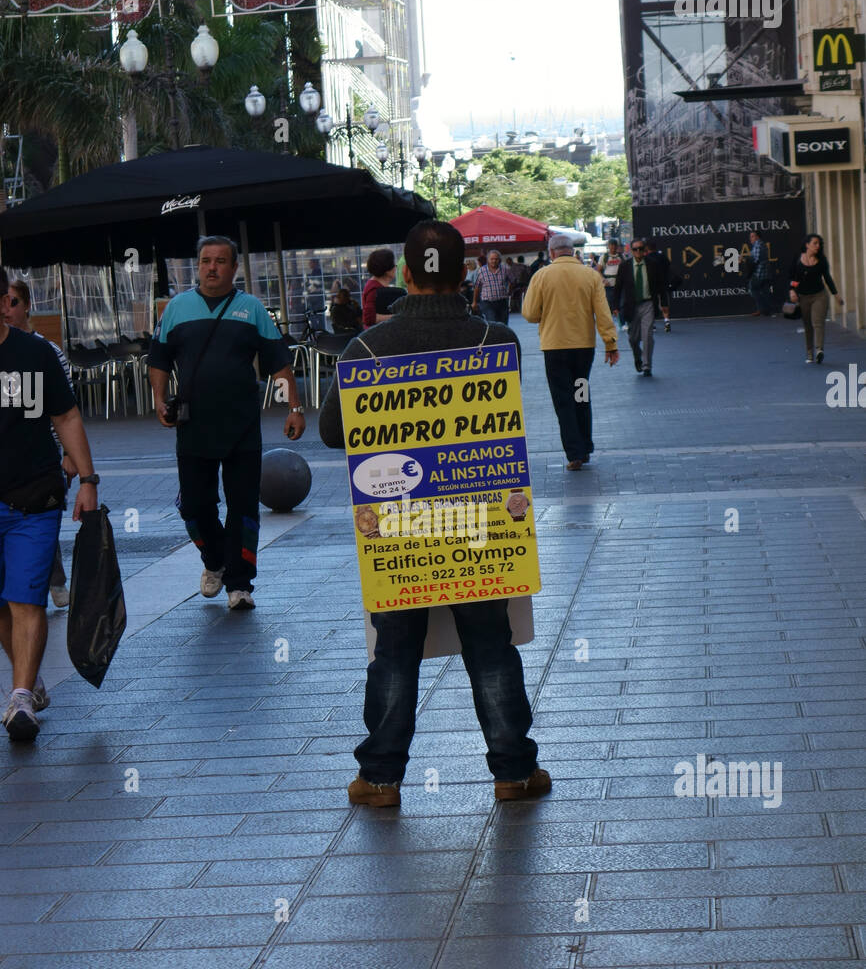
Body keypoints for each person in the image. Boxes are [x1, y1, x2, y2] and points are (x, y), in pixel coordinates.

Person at [318, 219, 550, 809]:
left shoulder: (366, 348)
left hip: (398, 528)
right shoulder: (495, 341)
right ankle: (514, 771)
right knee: (490, 645)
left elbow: (330, 431)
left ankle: (380, 777)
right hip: (477, 521)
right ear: (463, 269)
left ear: (405, 271)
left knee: (395, 649)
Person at [147, 235, 306, 611]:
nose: (212, 268)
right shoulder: (176, 308)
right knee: (195, 507)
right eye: (205, 261)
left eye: (220, 261)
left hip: (242, 426)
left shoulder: (251, 309)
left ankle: (240, 584)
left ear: (234, 268)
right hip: (192, 425)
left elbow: (278, 364)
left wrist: (294, 408)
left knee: (243, 507)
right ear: (197, 266)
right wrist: (158, 399)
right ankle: (214, 561)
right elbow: (158, 359)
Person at [0, 265, 99, 740]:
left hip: (31, 500)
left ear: (3, 303)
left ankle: (20, 698)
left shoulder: (33, 355)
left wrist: (87, 480)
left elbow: (65, 415)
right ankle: (29, 674)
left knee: (25, 596)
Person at [522, 235, 619, 470]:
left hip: (555, 348)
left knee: (563, 400)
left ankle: (574, 453)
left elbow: (530, 314)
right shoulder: (590, 275)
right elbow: (603, 313)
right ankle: (586, 446)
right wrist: (611, 343)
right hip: (584, 348)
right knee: (581, 394)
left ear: (552, 252)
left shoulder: (541, 276)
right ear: (573, 251)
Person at [8, 280, 75, 608]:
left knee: (39, 518)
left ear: (26, 305)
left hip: (41, 459)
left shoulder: (44, 351)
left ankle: (56, 580)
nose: (10, 308)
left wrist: (69, 454)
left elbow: (65, 410)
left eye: (15, 301)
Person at [612, 237, 669, 377]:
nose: (638, 251)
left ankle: (646, 365)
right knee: (633, 339)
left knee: (648, 335)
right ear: (631, 251)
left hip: (648, 303)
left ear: (645, 250)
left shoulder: (653, 264)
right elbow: (618, 287)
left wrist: (664, 303)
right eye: (635, 249)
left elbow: (661, 285)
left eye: (641, 249)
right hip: (631, 307)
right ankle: (637, 357)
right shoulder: (625, 266)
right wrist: (615, 306)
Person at [788, 233, 842, 364]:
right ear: (807, 245)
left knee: (818, 322)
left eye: (819, 244)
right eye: (815, 243)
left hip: (819, 295)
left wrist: (836, 295)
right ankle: (809, 352)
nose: (817, 246)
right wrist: (792, 291)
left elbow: (827, 278)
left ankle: (819, 350)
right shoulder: (797, 259)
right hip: (803, 297)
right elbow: (793, 278)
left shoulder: (821, 260)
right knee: (808, 326)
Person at [471, 247, 511, 324]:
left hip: (502, 301)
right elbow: (477, 287)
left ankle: (502, 336)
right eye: (492, 259)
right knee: (493, 322)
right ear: (488, 260)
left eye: (496, 259)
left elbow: (512, 281)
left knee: (504, 324)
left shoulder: (505, 269)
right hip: (487, 302)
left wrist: (509, 291)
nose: (494, 261)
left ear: (499, 260)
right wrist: (474, 302)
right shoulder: (482, 271)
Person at [361, 248, 396, 328]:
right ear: (387, 270)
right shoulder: (374, 290)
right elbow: (368, 318)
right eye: (394, 265)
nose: (395, 268)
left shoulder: (376, 286)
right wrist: (396, 317)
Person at [646, 237, 673, 331]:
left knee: (652, 304)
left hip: (651, 285)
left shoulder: (646, 259)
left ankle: (652, 324)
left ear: (647, 248)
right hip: (663, 283)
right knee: (664, 303)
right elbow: (668, 268)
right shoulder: (663, 257)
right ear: (655, 248)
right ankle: (666, 321)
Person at [747, 228, 774, 317]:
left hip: (760, 273)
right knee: (765, 291)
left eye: (752, 236)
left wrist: (747, 262)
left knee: (752, 288)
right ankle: (767, 311)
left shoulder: (758, 244)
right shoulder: (759, 245)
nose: (751, 238)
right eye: (750, 237)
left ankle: (762, 309)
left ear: (757, 237)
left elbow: (756, 259)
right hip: (765, 273)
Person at [600, 239, 624, 324]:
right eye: (611, 245)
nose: (613, 247)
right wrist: (603, 279)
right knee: (609, 304)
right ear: (608, 246)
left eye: (614, 245)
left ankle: (622, 323)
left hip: (620, 284)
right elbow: (599, 270)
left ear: (617, 246)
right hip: (608, 285)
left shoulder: (621, 256)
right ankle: (609, 323)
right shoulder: (604, 257)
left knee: (621, 304)